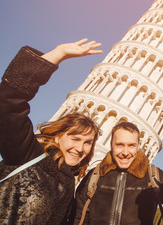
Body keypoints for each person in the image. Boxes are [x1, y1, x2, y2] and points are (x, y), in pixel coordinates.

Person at [0, 39, 103, 224]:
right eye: (75, 138)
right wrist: (58, 54)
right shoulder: (28, 154)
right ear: (57, 136)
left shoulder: (69, 184)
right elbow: (8, 102)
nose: (80, 148)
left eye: (88, 143)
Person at [73, 121, 163, 224]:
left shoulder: (152, 176)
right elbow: (76, 216)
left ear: (138, 146)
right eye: (119, 145)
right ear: (111, 145)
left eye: (131, 145)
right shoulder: (96, 175)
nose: (125, 152)